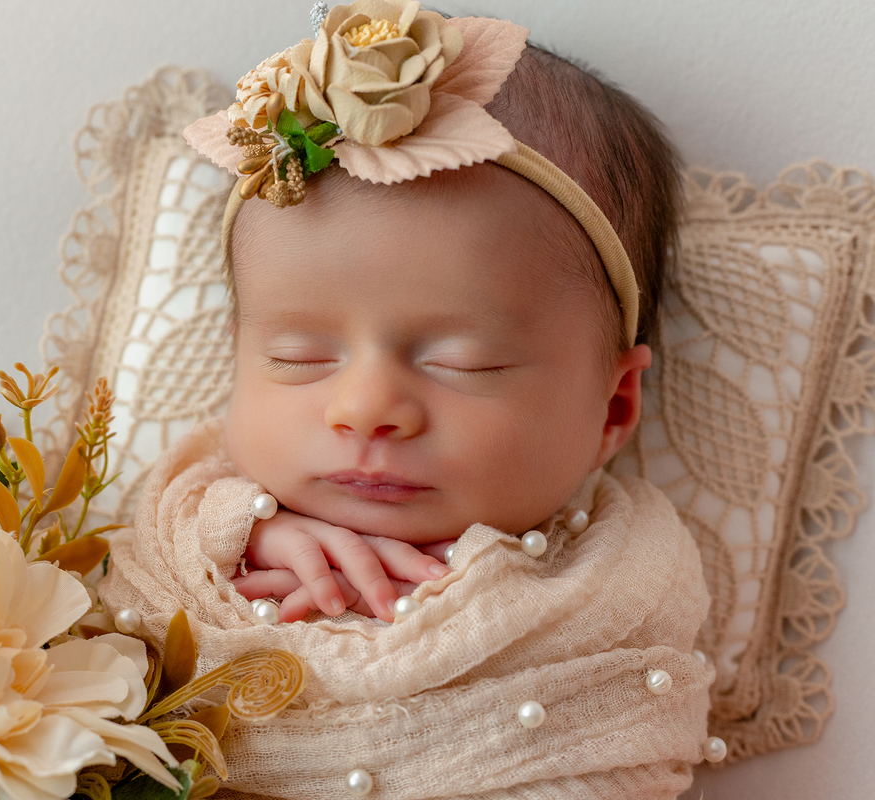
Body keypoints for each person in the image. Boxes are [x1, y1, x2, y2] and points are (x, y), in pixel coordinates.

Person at [99, 4, 719, 797]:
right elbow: (114, 612)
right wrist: (237, 534)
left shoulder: (613, 593)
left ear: (614, 408)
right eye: (299, 356)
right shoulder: (198, 525)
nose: (364, 408)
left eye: (467, 362)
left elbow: (619, 751)